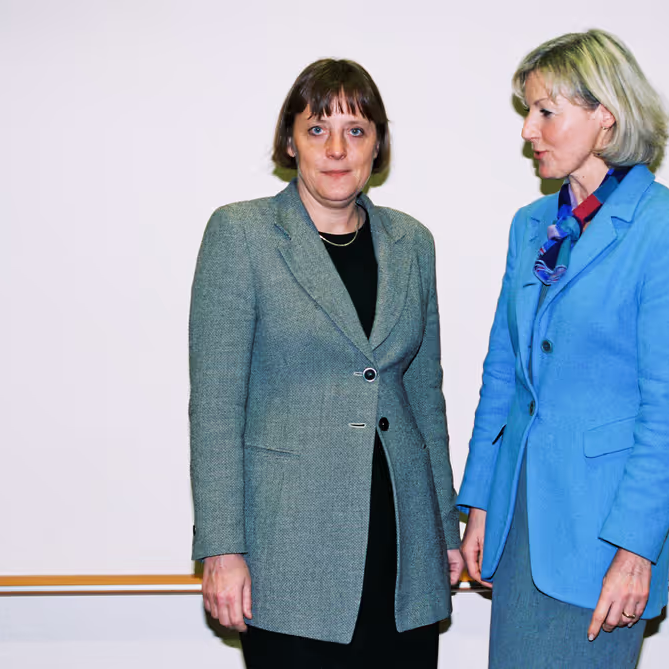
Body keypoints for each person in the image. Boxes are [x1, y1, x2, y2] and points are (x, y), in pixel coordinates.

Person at [457, 30, 669, 668]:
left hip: (602, 545)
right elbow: (504, 375)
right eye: (529, 111)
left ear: (605, 117)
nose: (529, 130)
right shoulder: (531, 227)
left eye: (546, 111)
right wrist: (480, 503)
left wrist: (636, 552)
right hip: (520, 529)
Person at [189, 58, 463, 668]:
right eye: (318, 129)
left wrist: (445, 525)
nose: (337, 149)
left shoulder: (412, 242)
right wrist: (222, 548)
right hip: (287, 547)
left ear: (378, 146)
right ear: (291, 141)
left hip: (403, 544)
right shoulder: (242, 235)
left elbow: (425, 395)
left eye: (357, 130)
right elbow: (214, 407)